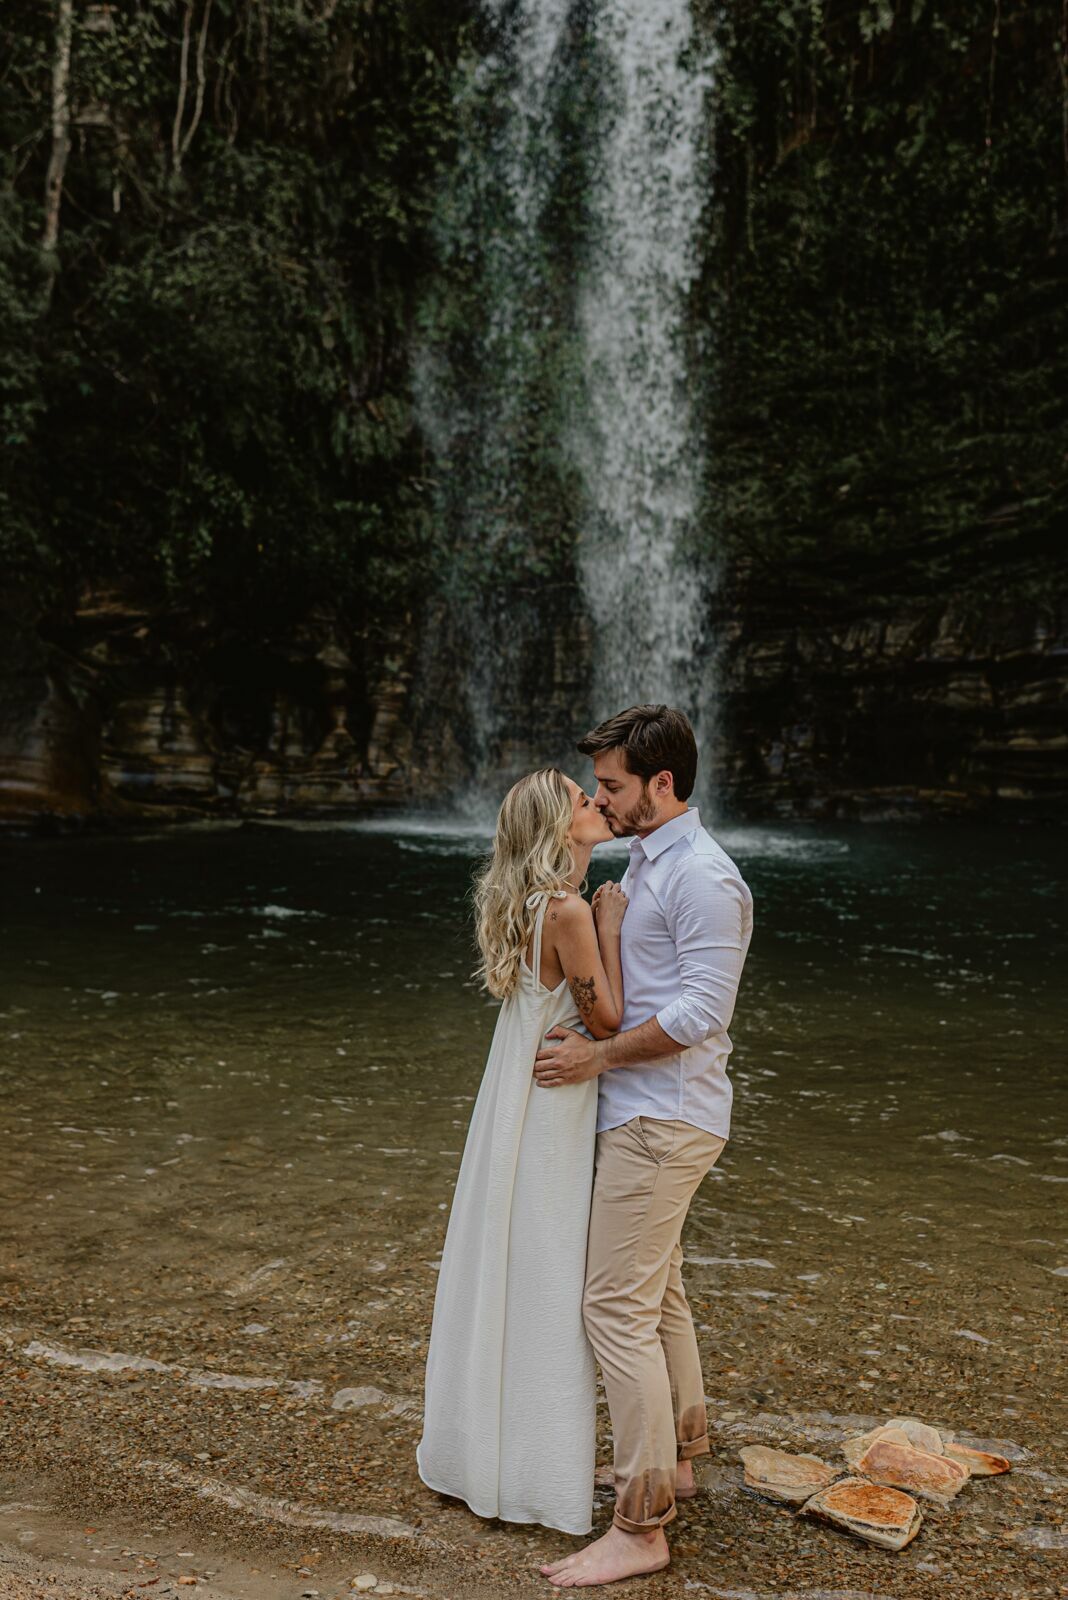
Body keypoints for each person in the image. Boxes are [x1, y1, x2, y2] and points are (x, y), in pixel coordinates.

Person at [533, 704, 754, 1587]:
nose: (600, 796)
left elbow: (704, 1013)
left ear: (663, 785)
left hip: (661, 1118)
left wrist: (595, 1057)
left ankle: (641, 1523)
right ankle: (681, 1459)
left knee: (612, 1307)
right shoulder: (648, 859)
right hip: (651, 1112)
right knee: (657, 1294)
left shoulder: (706, 877)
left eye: (614, 785)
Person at [416, 766, 628, 1535]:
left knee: (501, 1266)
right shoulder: (570, 911)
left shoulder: (522, 903)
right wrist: (609, 924)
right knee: (544, 1276)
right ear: (556, 827)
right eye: (582, 798)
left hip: (511, 1097)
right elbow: (607, 1023)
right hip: (551, 1110)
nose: (597, 801)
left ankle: (478, 1456)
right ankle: (537, 1476)